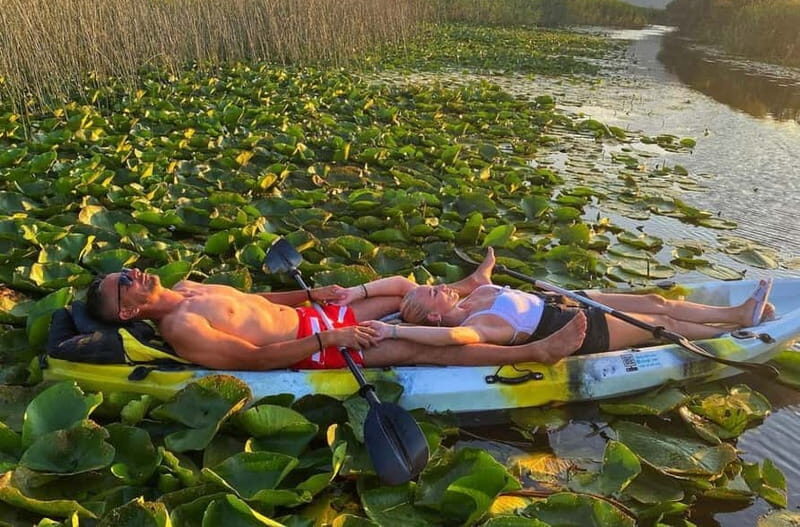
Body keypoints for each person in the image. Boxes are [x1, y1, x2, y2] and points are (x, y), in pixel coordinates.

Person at [83, 260, 589, 371]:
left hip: (312, 319)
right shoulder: (182, 327)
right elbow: (254, 357)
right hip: (313, 350)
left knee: (404, 292)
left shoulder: (190, 288)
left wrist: (312, 298)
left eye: (125, 270)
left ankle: (463, 290)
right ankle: (534, 351)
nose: (133, 272)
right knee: (413, 346)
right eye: (123, 282)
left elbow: (259, 305)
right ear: (129, 310)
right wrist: (330, 340)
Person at [358, 249, 775, 354]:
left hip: (564, 302)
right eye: (434, 290)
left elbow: (476, 283)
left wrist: (365, 293)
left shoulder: (474, 296)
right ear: (433, 313)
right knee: (662, 326)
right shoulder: (478, 327)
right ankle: (734, 324)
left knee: (653, 298)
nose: (441, 285)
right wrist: (394, 328)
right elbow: (451, 339)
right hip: (582, 330)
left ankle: (733, 311)